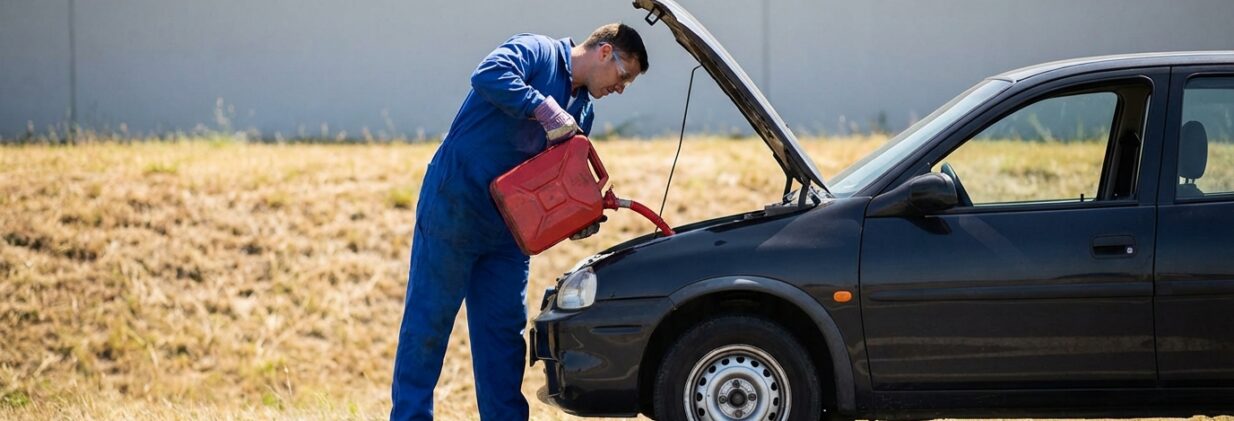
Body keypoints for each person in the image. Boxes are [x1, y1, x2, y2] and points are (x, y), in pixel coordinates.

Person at [390, 23, 649, 420]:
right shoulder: (537, 52)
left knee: (503, 336)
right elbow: (489, 75)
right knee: (429, 323)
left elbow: (557, 181)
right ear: (604, 51)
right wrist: (543, 108)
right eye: (623, 75)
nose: (621, 88)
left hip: (510, 232)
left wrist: (574, 218)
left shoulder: (583, 111)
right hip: (455, 206)